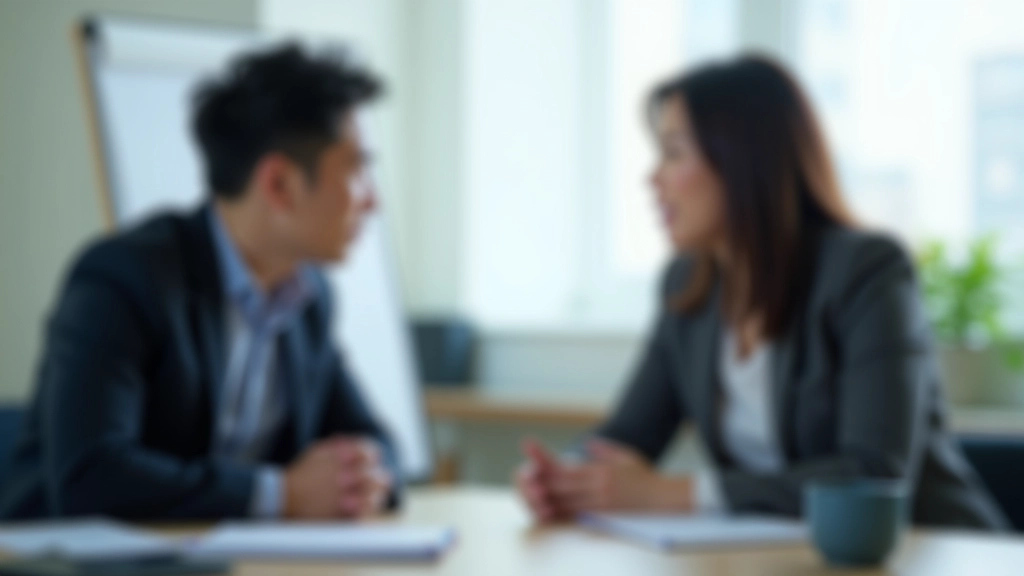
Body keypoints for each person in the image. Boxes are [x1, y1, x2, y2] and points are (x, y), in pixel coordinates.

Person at [515, 55, 1008, 530]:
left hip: (933, 552)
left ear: (741, 161)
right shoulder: (687, 287)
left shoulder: (867, 271)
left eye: (673, 153)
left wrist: (676, 494)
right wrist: (565, 476)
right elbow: (625, 439)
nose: (652, 178)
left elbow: (872, 474)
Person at [0, 44, 399, 520]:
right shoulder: (125, 279)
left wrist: (364, 478)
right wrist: (281, 495)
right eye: (356, 170)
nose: (372, 201)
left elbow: (376, 445)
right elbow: (89, 476)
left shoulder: (308, 298)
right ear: (279, 184)